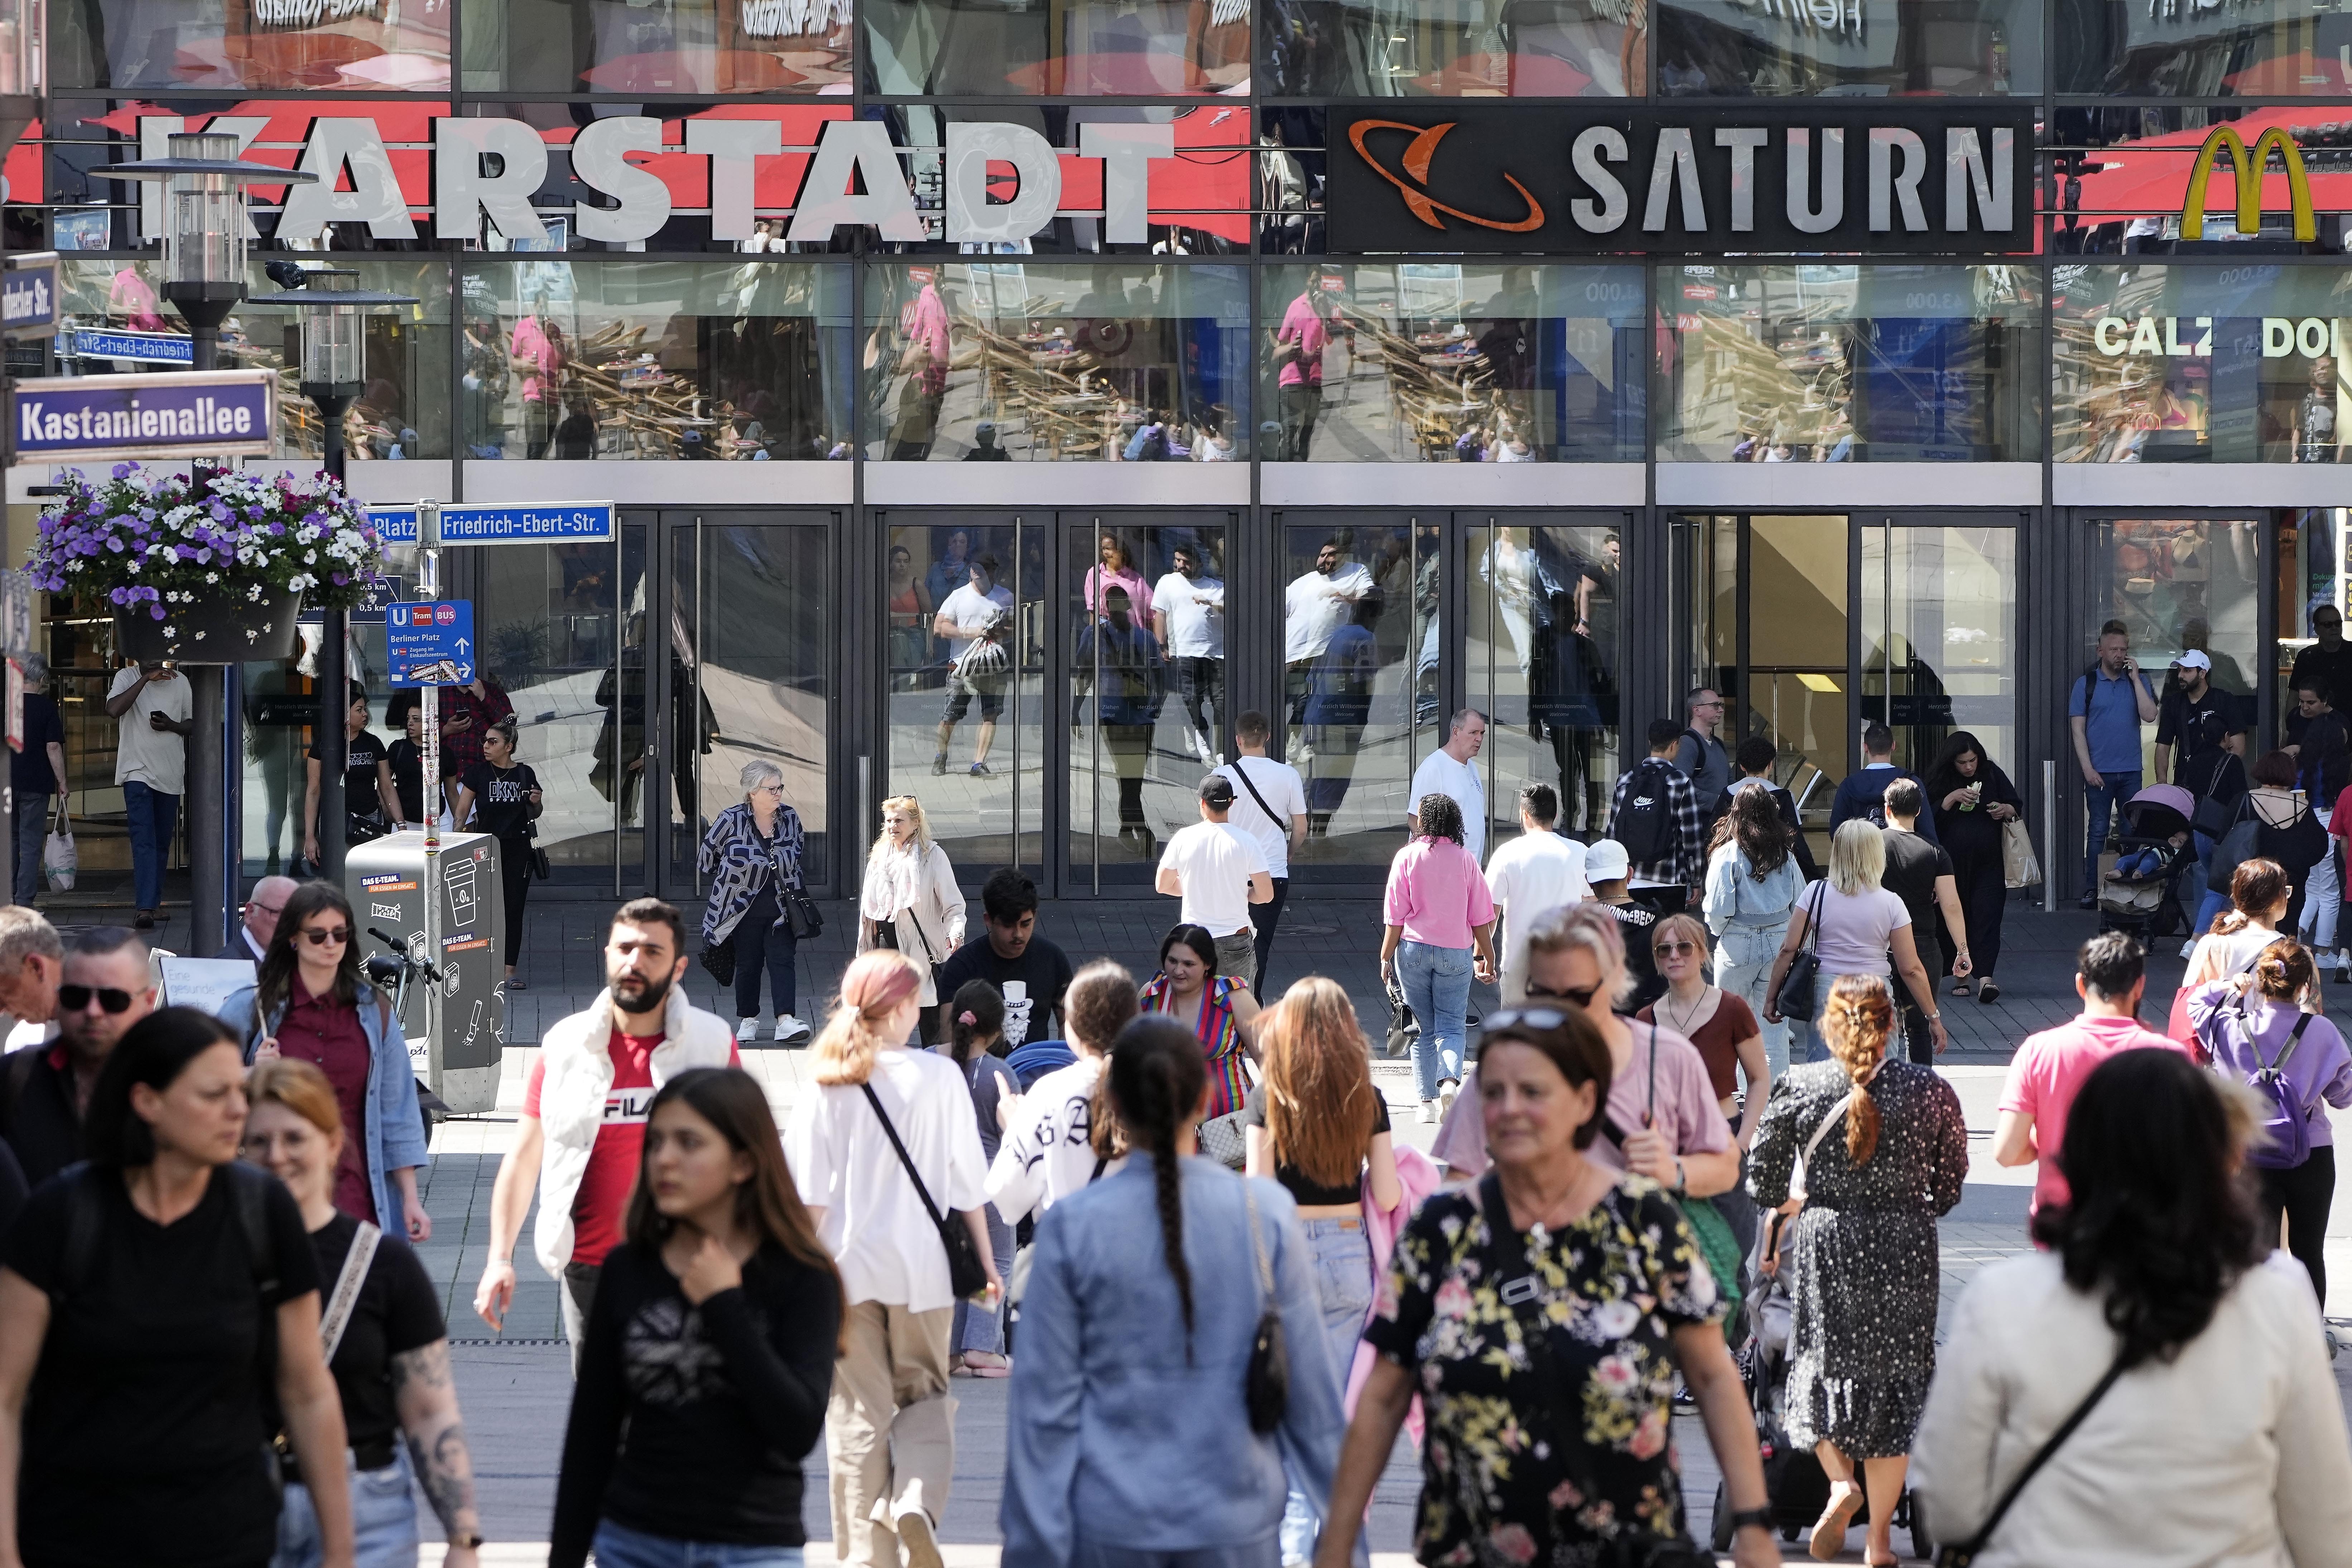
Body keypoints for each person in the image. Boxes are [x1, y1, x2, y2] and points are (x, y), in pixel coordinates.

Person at [1316, 1006, 1778, 1568]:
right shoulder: (1439, 1229)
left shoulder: (1644, 1220)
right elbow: (1383, 1392)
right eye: (1494, 1091)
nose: (1510, 1108)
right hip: (1472, 1548)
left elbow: (1710, 1374)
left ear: (1583, 1103)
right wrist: (1336, 1542)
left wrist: (1752, 1524)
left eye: (1532, 1090)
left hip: (1623, 1547)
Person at [1911, 1049, 2352, 1567]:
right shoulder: (2277, 1296)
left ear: (2077, 1152)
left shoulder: (1999, 1298)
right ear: (2216, 1157)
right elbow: (2323, 1522)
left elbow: (1948, 1505)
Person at [0, 1009, 355, 1568]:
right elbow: (5, 1396)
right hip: (75, 1538)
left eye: (238, 1091)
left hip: (226, 1538)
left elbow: (308, 1390)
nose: (239, 1109)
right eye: (214, 1095)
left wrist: (339, 1551)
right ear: (148, 1103)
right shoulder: (61, 1216)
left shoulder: (262, 1212)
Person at [1003, 1015, 1352, 1567]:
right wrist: (1343, 1546)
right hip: (1234, 1523)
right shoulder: (1266, 1214)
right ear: (1205, 1099)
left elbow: (1041, 1408)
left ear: (1111, 1103)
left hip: (1108, 1524)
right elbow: (1314, 1404)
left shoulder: (1072, 1227)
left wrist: (1031, 1547)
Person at [549, 1068, 842, 1568]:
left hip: (753, 1547)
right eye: (657, 1141)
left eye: (689, 1143)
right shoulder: (629, 1268)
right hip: (635, 1542)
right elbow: (591, 1432)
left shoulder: (802, 1275)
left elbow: (796, 1429)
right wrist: (566, 1556)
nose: (664, 1158)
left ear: (743, 1162)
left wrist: (724, 1303)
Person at [784, 949, 999, 1568]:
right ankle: (913, 1498)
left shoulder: (828, 1079)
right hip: (924, 1273)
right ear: (904, 1007)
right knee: (926, 1400)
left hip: (846, 1278)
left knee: (857, 1419)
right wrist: (986, 1267)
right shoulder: (939, 1079)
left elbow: (810, 1202)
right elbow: (967, 1191)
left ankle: (864, 1556)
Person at [1745, 975, 1967, 1568]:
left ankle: (1839, 1482)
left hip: (1828, 1242)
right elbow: (1947, 1187)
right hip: (1905, 1245)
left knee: (1818, 1368)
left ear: (1827, 1025)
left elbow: (1763, 1183)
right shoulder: (1930, 1089)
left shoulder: (1800, 1085)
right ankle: (1876, 1544)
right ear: (1891, 1024)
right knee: (1895, 1385)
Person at [472, 900, 739, 1370]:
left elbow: (749, 1158)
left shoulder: (712, 1042)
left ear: (678, 967)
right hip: (589, 1271)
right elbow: (523, 1158)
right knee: (601, 1425)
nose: (635, 961)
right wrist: (499, 1258)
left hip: (685, 1268)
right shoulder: (564, 1044)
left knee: (674, 1420)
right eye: (626, 948)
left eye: (652, 951)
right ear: (607, 954)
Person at [243, 1059, 482, 1568]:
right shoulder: (217, 1258)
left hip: (367, 1510)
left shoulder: (384, 1264)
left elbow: (430, 1408)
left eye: (294, 1138)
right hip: (239, 1507)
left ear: (332, 1144)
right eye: (258, 1142)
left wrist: (463, 1538)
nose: (277, 1156)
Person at [1243, 978, 1407, 1559]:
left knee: (1289, 1432)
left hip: (1284, 1251)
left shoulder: (1270, 1094)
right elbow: (1387, 1194)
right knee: (1340, 1426)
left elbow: (1257, 1192)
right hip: (1345, 1252)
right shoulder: (1367, 1093)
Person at [1430, 903, 1742, 1205]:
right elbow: (1459, 1181)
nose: (1559, 1012)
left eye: (1578, 996)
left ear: (1614, 980)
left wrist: (1672, 1170)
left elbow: (1726, 1167)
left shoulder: (1668, 1058)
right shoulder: (1505, 1063)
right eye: (1543, 996)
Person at [221, 883, 429, 1243]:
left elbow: (397, 1110)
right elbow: (203, 1089)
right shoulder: (251, 1008)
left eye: (340, 934)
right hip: (276, 1195)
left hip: (358, 1193)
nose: (330, 944)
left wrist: (410, 1199)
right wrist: (251, 1074)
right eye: (317, 936)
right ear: (293, 940)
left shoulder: (373, 1010)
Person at [2185, 938, 2352, 1304]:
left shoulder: (2229, 1027)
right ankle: (2308, 1338)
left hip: (2248, 1154)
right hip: (2311, 1152)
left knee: (2255, 1256)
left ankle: (2259, 1341)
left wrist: (2231, 987)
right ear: (2305, 985)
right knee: (2309, 1253)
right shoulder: (2322, 1032)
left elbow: (2195, 1004)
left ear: (2260, 981)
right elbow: (2343, 1096)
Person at [1994, 933, 2188, 1220]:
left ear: (2080, 985)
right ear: (2139, 987)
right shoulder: (2170, 1056)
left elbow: (2007, 1152)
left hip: (2062, 1226)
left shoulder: (2039, 1050)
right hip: (2144, 1229)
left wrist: (2047, 1138)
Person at [1763, 820, 1951, 1061]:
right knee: (1878, 1078)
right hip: (1874, 992)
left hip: (1827, 992)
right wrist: (1932, 1017)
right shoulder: (1891, 903)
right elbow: (1911, 969)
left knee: (1826, 1080)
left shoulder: (1815, 893)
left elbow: (1788, 950)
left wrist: (1772, 998)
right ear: (1875, 854)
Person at [986, 961, 1138, 1224]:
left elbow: (1006, 1198)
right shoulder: (1157, 1091)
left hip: (1066, 1251)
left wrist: (1015, 1127)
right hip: (1137, 1252)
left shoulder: (1050, 1092)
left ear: (1073, 1024)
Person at [0, 926, 151, 1189]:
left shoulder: (176, 1083)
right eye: (76, 997)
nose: (93, 1011)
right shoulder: (13, 1079)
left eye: (113, 999)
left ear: (148, 1002)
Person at [1381, 793, 1497, 1125]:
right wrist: (1488, 957)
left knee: (1421, 1027)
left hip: (1413, 950)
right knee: (1451, 1024)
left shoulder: (1406, 857)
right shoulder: (1464, 859)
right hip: (1456, 952)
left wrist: (1385, 956)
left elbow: (1395, 917)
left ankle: (1426, 1104)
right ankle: (1449, 1082)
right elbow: (1481, 917)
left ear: (1424, 820)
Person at [699, 759, 811, 1045]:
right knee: (748, 965)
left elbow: (797, 853)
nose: (778, 794)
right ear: (752, 792)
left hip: (783, 909)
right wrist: (734, 881)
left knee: (782, 961)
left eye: (779, 787)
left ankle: (785, 1021)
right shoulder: (731, 819)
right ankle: (748, 1019)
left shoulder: (790, 818)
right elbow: (706, 859)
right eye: (771, 788)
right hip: (741, 911)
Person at [1638, 914, 1768, 1155]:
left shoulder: (1732, 1009)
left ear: (1701, 952)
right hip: (1668, 1145)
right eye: (1664, 950)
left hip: (1724, 1137)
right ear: (1657, 959)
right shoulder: (1645, 1020)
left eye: (1684, 947)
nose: (1674, 955)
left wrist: (1742, 1143)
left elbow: (1759, 1078)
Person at [943, 980, 1019, 1378]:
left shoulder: (933, 1063)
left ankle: (953, 1348)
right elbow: (1014, 1134)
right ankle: (982, 1347)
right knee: (999, 1263)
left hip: (944, 1183)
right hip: (991, 1182)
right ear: (995, 1030)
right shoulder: (1000, 1073)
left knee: (958, 1264)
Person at [1706, 785, 1805, 1079]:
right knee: (1774, 1027)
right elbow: (1800, 902)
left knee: (1727, 1021)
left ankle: (1734, 1091)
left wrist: (1723, 932)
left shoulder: (1728, 853)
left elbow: (1716, 907)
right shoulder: (1785, 855)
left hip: (1737, 938)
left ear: (1736, 812)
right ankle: (1773, 1097)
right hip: (1778, 942)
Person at [857, 797, 967, 1046]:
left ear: (915, 824)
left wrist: (955, 933)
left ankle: (936, 1070)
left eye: (899, 821)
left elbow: (954, 905)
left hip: (922, 950)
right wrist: (864, 950)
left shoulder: (932, 856)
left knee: (931, 1025)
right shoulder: (878, 858)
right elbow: (867, 911)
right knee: (886, 1022)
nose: (892, 826)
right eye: (888, 821)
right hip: (886, 946)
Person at [1923, 731, 2022, 1001]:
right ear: (1951, 762)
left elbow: (2015, 805)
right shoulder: (1940, 780)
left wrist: (2004, 809)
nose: (1969, 767)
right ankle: (1961, 977)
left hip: (1989, 862)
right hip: (1949, 864)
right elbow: (1926, 818)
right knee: (1955, 917)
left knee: (1987, 915)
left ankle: (1986, 979)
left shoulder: (1991, 773)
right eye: (1962, 762)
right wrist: (1952, 798)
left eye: (1972, 760)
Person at [448, 717, 542, 992]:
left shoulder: (524, 774)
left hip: (517, 848)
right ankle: (480, 965)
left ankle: (508, 970)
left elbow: (535, 813)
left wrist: (535, 803)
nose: (486, 746)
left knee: (513, 909)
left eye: (493, 742)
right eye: (484, 741)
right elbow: (462, 812)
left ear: (509, 747)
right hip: (484, 848)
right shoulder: (478, 773)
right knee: (481, 909)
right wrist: (457, 841)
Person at [1879, 779, 1972, 1055]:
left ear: (1887, 810)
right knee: (1919, 1027)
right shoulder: (1935, 852)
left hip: (1877, 944)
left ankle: (1885, 1088)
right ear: (1919, 811)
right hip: (1922, 944)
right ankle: (1919, 1093)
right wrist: (1962, 950)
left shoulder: (1871, 846)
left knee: (1882, 1026)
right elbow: (1951, 905)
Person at [933, 868, 1073, 1050]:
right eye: (1008, 925)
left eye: (1026, 924)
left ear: (1035, 917)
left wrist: (1062, 1060)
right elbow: (949, 1040)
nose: (1018, 934)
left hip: (1033, 1072)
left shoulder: (1053, 959)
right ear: (988, 920)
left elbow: (1069, 1021)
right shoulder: (961, 967)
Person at [2069, 620, 2159, 906]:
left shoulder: (2138, 682)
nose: (2119, 655)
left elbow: (2149, 715)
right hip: (2099, 772)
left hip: (2131, 770)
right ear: (2100, 651)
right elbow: (2077, 730)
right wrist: (2087, 768)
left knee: (2132, 830)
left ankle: (2128, 886)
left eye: (2124, 650)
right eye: (2113, 650)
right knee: (2097, 830)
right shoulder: (2086, 684)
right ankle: (2093, 889)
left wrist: (2134, 680)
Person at [1156, 774, 1274, 991]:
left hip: (1193, 940)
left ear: (1202, 803)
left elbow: (1162, 885)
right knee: (1238, 1011)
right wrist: (1244, 893)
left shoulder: (1184, 837)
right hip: (1235, 940)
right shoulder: (1247, 841)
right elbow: (1266, 895)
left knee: (1193, 1009)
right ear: (1231, 803)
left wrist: (1193, 887)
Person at [1217, 712, 1308, 989]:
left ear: (1238, 740)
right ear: (1267, 737)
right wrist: (1289, 851)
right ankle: (1251, 1005)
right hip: (1272, 872)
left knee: (1224, 943)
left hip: (1230, 874)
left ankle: (1223, 1003)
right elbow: (1301, 828)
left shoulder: (1221, 776)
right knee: (1260, 946)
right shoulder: (1288, 775)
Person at [1139, 924, 1263, 1122]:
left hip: (1229, 1128)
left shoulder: (1233, 997)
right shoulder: (1151, 995)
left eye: (1189, 964)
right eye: (1172, 961)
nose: (1178, 970)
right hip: (1167, 1124)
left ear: (1207, 965)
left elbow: (1268, 1061)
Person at [1073, 585, 1164, 853]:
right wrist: (1075, 711)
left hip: (1140, 715)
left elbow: (1160, 676)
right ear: (1105, 608)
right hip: (1112, 714)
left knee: (1131, 776)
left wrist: (1156, 706)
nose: (1114, 610)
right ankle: (1141, 829)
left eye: (1117, 604)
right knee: (1129, 774)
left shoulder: (1145, 638)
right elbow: (1084, 673)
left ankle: (1128, 828)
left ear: (1126, 606)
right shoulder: (1094, 634)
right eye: (1109, 604)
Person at [1483, 782, 1591, 1004]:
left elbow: (1489, 913)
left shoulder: (1507, 854)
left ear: (1524, 815)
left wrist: (1482, 955)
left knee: (1517, 1034)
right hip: (1565, 965)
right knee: (1561, 1033)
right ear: (1556, 814)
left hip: (1519, 965)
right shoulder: (1581, 853)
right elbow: (1594, 904)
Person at [105, 657, 193, 928]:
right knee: (143, 838)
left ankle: (153, 904)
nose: (152, 660)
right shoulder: (126, 676)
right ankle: (144, 907)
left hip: (169, 773)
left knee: (161, 842)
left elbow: (194, 724)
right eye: (146, 655)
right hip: (137, 771)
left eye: (157, 654)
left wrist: (171, 726)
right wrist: (145, 680)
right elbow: (113, 709)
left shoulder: (181, 682)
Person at [932, 555, 1015, 777]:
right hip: (962, 666)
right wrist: (974, 632)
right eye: (979, 569)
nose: (983, 573)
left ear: (995, 571)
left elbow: (1013, 629)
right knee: (951, 715)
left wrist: (1000, 632)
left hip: (992, 666)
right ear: (971, 572)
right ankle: (941, 755)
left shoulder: (1005, 596)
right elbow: (939, 629)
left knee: (991, 715)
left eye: (988, 569)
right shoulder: (958, 596)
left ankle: (979, 763)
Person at [1610, 718, 1705, 911]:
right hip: (1670, 882)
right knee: (1666, 940)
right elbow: (1691, 838)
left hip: (1631, 880)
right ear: (1674, 745)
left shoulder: (1627, 779)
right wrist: (1696, 880)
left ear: (1650, 743)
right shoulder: (1680, 782)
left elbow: (1613, 832)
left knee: (1636, 940)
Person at [306, 686, 404, 867]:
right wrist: (310, 837)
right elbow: (313, 790)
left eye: (365, 709)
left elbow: (387, 786)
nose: (365, 714)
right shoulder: (324, 746)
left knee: (369, 873)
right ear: (345, 715)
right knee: (341, 873)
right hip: (336, 819)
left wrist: (401, 824)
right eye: (359, 710)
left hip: (370, 817)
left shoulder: (373, 743)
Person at [2289, 678, 2351, 962]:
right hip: (2329, 822)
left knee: (2312, 887)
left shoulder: (2303, 766)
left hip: (2305, 821)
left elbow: (2297, 794)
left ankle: (2299, 933)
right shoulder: (2339, 767)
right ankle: (2324, 950)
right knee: (2330, 892)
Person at [1283, 537, 1373, 731]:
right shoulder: (1303, 583)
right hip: (1294, 654)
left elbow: (1369, 598)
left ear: (1344, 556)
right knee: (1281, 701)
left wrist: (1345, 597)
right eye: (1322, 555)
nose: (1325, 559)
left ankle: (1302, 747)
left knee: (1307, 703)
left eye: (1331, 554)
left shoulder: (1356, 572)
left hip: (1326, 653)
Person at [1154, 541, 1228, 765]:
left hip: (1216, 653)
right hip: (1183, 651)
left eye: (1187, 562)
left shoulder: (1216, 587)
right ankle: (1200, 730)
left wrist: (1210, 603)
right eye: (1178, 560)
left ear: (1200, 563)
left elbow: (1234, 611)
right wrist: (1162, 645)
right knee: (1190, 697)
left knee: (1221, 702)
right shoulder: (1168, 582)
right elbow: (1160, 615)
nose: (1181, 566)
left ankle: (1223, 750)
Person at [1584, 838, 1667, 1009]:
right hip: (1650, 1019)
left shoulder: (1582, 926)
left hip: (1598, 1021)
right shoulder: (1658, 922)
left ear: (1589, 881)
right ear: (1630, 874)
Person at [10, 654, 66, 908]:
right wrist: (62, 782)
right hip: (36, 785)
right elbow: (53, 747)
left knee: (10, 842)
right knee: (31, 845)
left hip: (7, 784)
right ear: (42, 679)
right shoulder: (46, 708)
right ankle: (24, 903)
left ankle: (6, 899)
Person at [1827, 723, 1941, 846]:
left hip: (1863, 861)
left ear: (1865, 748)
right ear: (1893, 746)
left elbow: (1837, 833)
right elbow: (1927, 833)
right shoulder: (1911, 783)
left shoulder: (1848, 786)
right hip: (1902, 860)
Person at [1728, 735, 1822, 881]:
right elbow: (1796, 842)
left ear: (1742, 766)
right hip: (1774, 871)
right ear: (1770, 766)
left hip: (1735, 872)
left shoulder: (1728, 794)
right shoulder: (1782, 797)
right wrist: (1814, 878)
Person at [1407, 708, 1491, 863]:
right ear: (1456, 732)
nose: (1479, 739)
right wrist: (1439, 861)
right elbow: (1414, 820)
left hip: (1470, 870)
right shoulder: (1433, 768)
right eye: (1473, 733)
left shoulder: (1472, 767)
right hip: (1443, 871)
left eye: (1482, 733)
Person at [2152, 648, 2245, 784]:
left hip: (2216, 781)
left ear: (2202, 674)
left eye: (2187, 671)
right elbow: (2163, 746)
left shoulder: (2224, 700)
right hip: (2185, 780)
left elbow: (2239, 746)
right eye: (2180, 670)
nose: (2180, 676)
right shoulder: (2173, 703)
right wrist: (2162, 783)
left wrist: (2223, 774)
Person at [1271, 275, 1333, 461]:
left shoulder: (1323, 309)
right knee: (1289, 434)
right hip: (1293, 380)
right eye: (1314, 280)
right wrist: (1292, 347)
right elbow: (1278, 348)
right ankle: (1285, 477)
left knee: (1305, 438)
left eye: (1320, 281)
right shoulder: (1296, 306)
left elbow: (1331, 347)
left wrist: (1325, 315)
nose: (1317, 285)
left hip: (1314, 381)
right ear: (1307, 280)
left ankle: (1300, 477)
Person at [437, 671, 515, 813]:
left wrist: (483, 697)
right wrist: (445, 730)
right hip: (447, 777)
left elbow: (509, 727)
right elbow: (421, 732)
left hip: (484, 773)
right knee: (456, 830)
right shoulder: (440, 692)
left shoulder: (491, 690)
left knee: (483, 828)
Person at [1673, 686, 1733, 820]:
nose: (1721, 710)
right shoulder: (1687, 744)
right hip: (1698, 824)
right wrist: (1720, 802)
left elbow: (1729, 781)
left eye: (1721, 705)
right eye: (1715, 705)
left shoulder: (1718, 744)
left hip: (1722, 822)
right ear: (1697, 710)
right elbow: (1681, 788)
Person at [2292, 604, 2352, 732]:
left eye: (2338, 623)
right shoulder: (2306, 657)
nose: (2335, 628)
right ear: (2317, 628)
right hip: (2313, 729)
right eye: (2328, 625)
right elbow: (2294, 695)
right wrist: (2289, 729)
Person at [240, 874, 300, 962]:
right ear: (250, 912)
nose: (291, 923)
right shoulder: (229, 968)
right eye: (280, 913)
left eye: (297, 915)